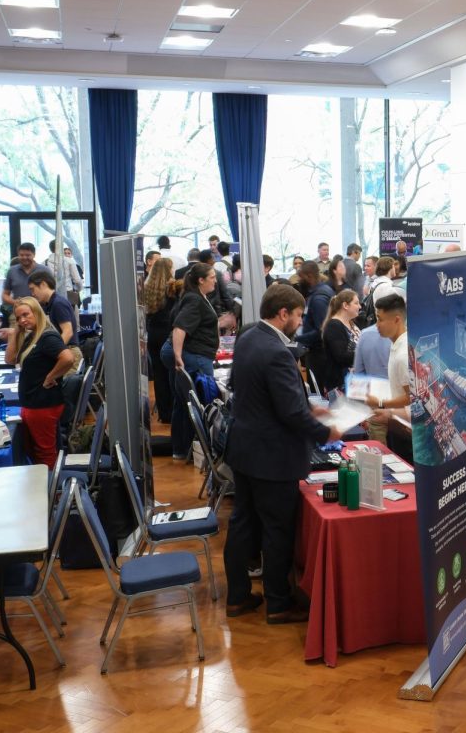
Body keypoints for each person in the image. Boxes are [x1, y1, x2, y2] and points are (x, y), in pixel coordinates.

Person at [222, 283, 340, 624]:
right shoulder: (277, 351)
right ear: (283, 313)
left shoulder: (247, 337)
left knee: (243, 523)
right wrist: (325, 431)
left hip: (244, 449)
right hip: (271, 456)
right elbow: (289, 412)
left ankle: (238, 596)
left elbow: (262, 394)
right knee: (277, 529)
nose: (301, 323)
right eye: (300, 315)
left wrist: (307, 409)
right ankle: (278, 602)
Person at [2, 297, 73, 466]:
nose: (22, 320)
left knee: (44, 453)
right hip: (33, 404)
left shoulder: (47, 337)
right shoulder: (32, 336)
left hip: (43, 404)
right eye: (18, 318)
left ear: (37, 313)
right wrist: (16, 331)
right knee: (36, 451)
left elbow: (68, 358)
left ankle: (51, 490)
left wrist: (51, 376)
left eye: (26, 315)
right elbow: (10, 359)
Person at [162, 264, 219, 462]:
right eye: (212, 277)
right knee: (202, 402)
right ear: (201, 280)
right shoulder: (194, 299)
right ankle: (203, 452)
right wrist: (179, 356)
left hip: (192, 354)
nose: (215, 280)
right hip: (195, 356)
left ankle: (181, 449)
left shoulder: (194, 296)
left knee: (183, 401)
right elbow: (180, 328)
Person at [365, 294, 414, 464]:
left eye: (380, 319)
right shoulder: (398, 344)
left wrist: (381, 404)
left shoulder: (403, 354)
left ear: (397, 320)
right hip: (399, 425)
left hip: (406, 429)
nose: (377, 325)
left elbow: (411, 398)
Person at [144, 258, 177, 424]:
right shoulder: (171, 288)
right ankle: (172, 411)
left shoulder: (147, 287)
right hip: (166, 333)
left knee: (158, 374)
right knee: (170, 372)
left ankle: (164, 412)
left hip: (153, 333)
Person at [27, 271, 81, 374]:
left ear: (43, 284)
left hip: (69, 352)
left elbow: (68, 332)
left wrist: (54, 351)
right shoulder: (49, 304)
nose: (32, 294)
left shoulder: (58, 303)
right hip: (65, 351)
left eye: (32, 289)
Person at [295, 261, 334, 389]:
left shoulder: (319, 298)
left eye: (300, 277)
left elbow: (321, 330)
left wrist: (296, 339)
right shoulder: (323, 291)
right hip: (321, 354)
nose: (299, 280)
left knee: (319, 393)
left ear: (309, 276)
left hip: (320, 356)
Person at [352, 323, 391, 443]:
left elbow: (358, 373)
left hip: (375, 399)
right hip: (403, 403)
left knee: (379, 451)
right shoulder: (406, 333)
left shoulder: (365, 333)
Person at [319, 290, 361, 395]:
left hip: (353, 382)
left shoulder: (351, 324)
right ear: (345, 305)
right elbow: (341, 356)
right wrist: (365, 354)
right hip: (341, 383)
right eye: (356, 303)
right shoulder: (334, 326)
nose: (359, 306)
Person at [2, 242, 39, 311]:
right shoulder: (12, 271)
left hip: (40, 311)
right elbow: (5, 295)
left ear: (34, 255)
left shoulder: (44, 270)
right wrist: (15, 302)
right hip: (19, 312)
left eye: (28, 255)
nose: (24, 257)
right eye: (21, 255)